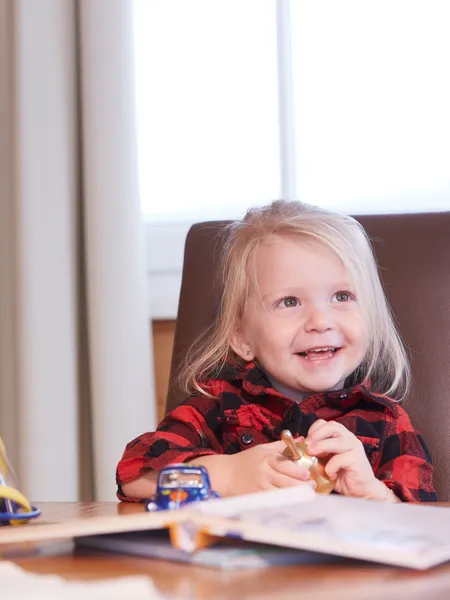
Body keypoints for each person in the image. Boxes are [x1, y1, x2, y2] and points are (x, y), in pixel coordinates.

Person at [117, 200, 436, 503]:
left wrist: (374, 493)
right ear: (241, 336)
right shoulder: (216, 409)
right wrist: (227, 475)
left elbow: (425, 519)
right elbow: (134, 474)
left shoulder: (386, 422)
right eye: (289, 302)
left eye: (341, 296)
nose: (321, 322)